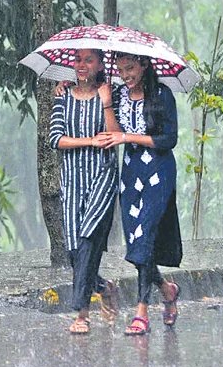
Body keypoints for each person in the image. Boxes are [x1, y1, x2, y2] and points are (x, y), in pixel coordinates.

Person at [102, 52, 183, 336]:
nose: (125, 74)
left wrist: (128, 137)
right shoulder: (118, 94)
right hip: (131, 172)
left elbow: (168, 140)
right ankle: (166, 289)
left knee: (146, 235)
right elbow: (113, 134)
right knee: (136, 240)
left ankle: (141, 311)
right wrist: (106, 103)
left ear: (145, 65)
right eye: (121, 69)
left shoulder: (162, 95)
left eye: (131, 68)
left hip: (158, 171)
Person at [49, 49, 121, 334]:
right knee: (73, 250)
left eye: (88, 60)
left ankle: (82, 313)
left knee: (89, 238)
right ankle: (104, 287)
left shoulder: (111, 93)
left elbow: (115, 137)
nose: (81, 65)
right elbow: (56, 139)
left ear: (100, 64)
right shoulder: (62, 95)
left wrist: (106, 104)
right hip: (71, 178)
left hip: (102, 174)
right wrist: (90, 141)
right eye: (77, 59)